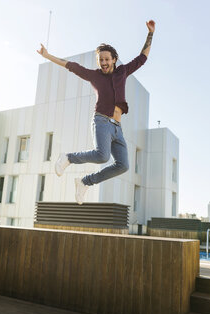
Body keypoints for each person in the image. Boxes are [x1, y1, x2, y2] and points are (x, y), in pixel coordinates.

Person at [37, 20, 155, 205]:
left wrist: (150, 34)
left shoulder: (122, 71)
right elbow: (70, 65)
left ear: (114, 59)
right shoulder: (94, 76)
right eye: (101, 60)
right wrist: (47, 55)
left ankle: (85, 182)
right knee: (102, 155)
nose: (104, 63)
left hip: (117, 128)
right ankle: (68, 158)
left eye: (107, 59)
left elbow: (142, 58)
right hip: (101, 121)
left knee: (123, 165)